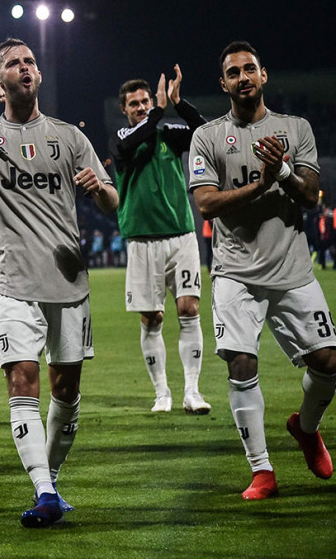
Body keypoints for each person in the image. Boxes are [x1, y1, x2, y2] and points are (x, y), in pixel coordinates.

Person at [0, 37, 118, 528]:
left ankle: (48, 482)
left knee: (66, 388)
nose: (26, 68)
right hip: (11, 279)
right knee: (22, 379)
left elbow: (113, 202)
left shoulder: (70, 137)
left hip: (68, 278)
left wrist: (100, 190)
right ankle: (45, 490)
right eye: (14, 63)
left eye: (31, 61)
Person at [189, 41, 336, 500]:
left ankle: (306, 428)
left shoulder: (295, 128)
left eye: (249, 69)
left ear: (264, 75)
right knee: (240, 361)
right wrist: (261, 182)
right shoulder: (208, 137)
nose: (243, 78)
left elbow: (312, 196)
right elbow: (206, 203)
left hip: (292, 269)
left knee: (328, 363)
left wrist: (282, 174)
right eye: (233, 72)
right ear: (224, 84)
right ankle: (262, 471)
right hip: (236, 273)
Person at [109, 69, 211, 414]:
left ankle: (192, 392)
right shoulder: (121, 141)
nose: (140, 107)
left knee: (189, 309)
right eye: (134, 104)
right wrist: (158, 112)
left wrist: (178, 104)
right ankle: (161, 393)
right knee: (152, 318)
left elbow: (204, 132)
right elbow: (130, 144)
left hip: (181, 235)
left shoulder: (169, 134)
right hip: (142, 240)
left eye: (145, 102)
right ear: (125, 109)